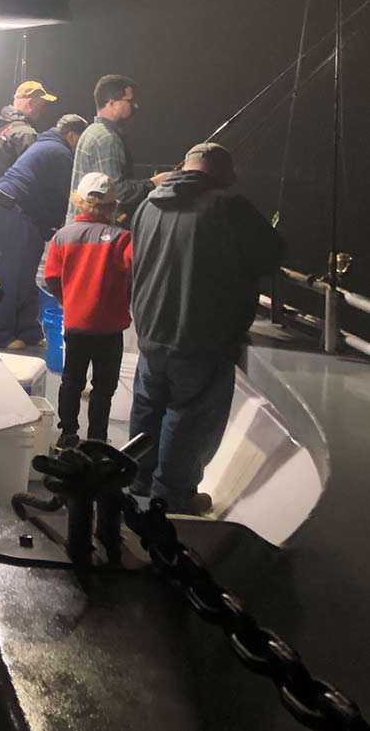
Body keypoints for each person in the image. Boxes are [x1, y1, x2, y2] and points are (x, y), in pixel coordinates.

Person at [128, 143, 283, 514]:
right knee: (189, 416)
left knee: (148, 409)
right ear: (220, 173)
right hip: (201, 336)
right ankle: (173, 499)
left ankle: (137, 484)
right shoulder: (227, 207)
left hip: (150, 331)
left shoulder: (147, 205)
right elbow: (272, 254)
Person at [42, 172, 133, 448]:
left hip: (76, 324)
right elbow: (136, 268)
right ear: (112, 205)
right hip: (109, 329)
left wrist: (65, 300)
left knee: (71, 381)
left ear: (79, 201)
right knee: (103, 388)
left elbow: (51, 278)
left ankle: (67, 435)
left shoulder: (62, 237)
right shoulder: (122, 239)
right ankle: (97, 439)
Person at [0, 112, 88, 348]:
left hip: (20, 212)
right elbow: (66, 199)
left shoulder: (45, 143)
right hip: (9, 210)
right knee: (8, 274)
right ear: (71, 135)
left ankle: (27, 330)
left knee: (25, 274)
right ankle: (0, 334)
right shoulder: (59, 153)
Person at [67, 74, 164, 224]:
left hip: (82, 231)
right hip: (97, 237)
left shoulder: (91, 131)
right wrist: (154, 183)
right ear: (111, 103)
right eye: (130, 101)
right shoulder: (107, 138)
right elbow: (117, 192)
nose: (135, 106)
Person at [0, 80, 57, 185]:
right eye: (41, 106)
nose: (42, 111)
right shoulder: (25, 134)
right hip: (15, 198)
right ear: (31, 103)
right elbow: (36, 173)